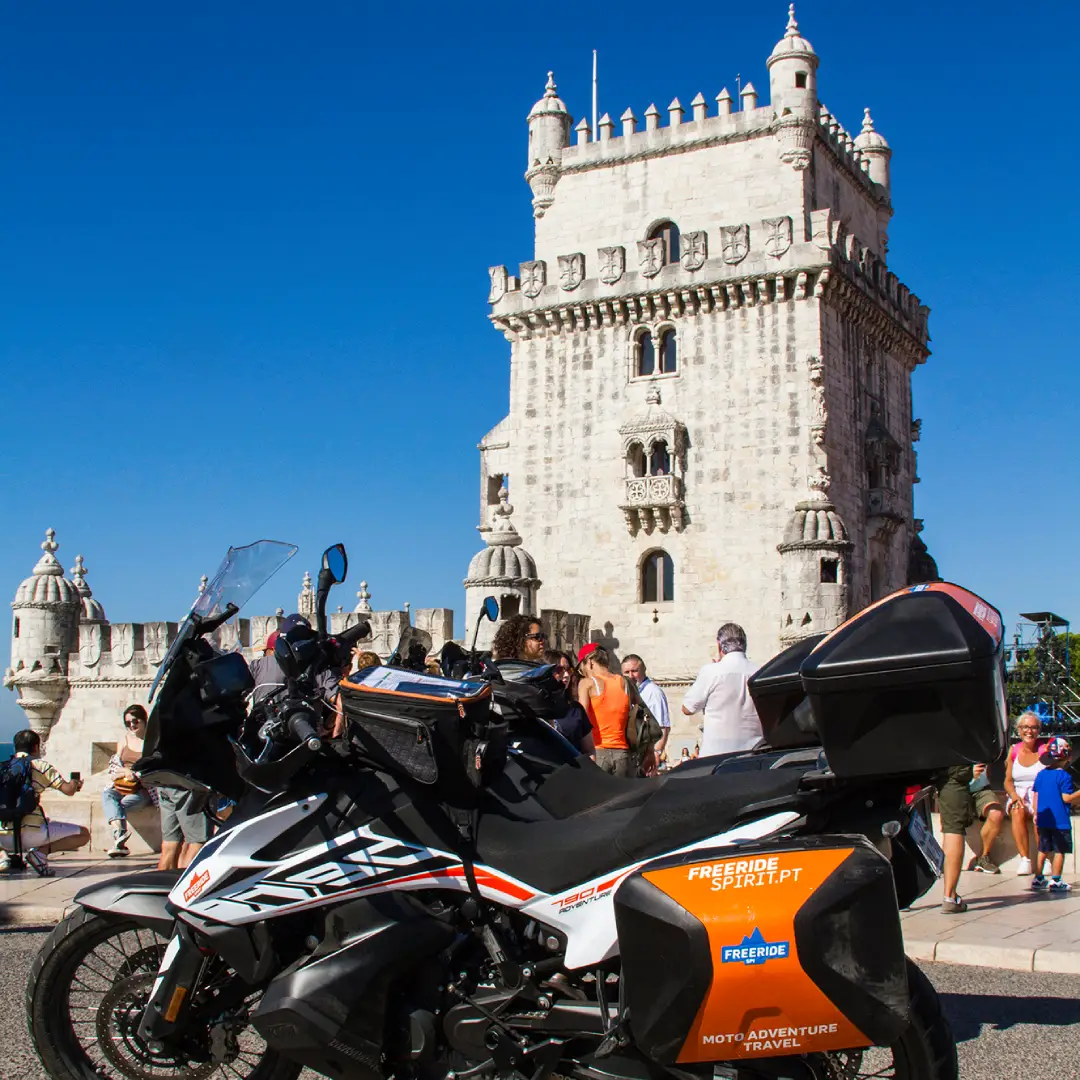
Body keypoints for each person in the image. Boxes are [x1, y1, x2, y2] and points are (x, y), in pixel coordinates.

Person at [0, 729, 89, 872]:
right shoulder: (41, 766)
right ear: (36, 747)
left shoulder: (4, 767)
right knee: (83, 834)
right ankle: (40, 854)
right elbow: (68, 790)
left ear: (15, 747)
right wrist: (74, 783)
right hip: (34, 834)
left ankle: (1, 856)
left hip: (3, 836)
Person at [681, 623, 762, 756]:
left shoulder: (711, 672)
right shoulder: (759, 672)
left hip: (716, 756)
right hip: (752, 754)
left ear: (719, 645)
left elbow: (687, 708)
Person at [101, 704, 156, 858]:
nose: (132, 725)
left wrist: (136, 775)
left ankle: (119, 840)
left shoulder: (152, 742)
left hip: (144, 790)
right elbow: (114, 763)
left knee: (120, 806)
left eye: (135, 721)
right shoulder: (124, 740)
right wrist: (125, 771)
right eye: (128, 723)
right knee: (107, 795)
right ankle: (120, 836)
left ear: (144, 720)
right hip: (122, 784)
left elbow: (154, 767)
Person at [576, 643, 633, 776]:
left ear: (589, 662)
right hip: (623, 755)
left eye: (581, 669)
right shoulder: (624, 682)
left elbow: (581, 717)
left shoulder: (587, 683)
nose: (582, 673)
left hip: (597, 753)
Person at [1031, 737, 1079, 892]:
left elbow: (1036, 796)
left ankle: (1038, 878)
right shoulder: (1064, 776)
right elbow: (1066, 798)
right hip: (1060, 822)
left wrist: (1036, 813)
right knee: (1060, 851)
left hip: (1043, 820)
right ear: (1067, 756)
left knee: (1043, 849)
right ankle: (1056, 880)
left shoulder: (1041, 774)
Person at [1004, 711, 1047, 875]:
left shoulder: (1044, 750)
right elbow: (1007, 781)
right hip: (1019, 794)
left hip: (1040, 793)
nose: (1030, 731)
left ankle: (1045, 858)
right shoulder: (1014, 750)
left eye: (1034, 727)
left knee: (1040, 814)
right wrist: (1014, 796)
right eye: (1026, 727)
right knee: (1017, 810)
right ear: (1019, 729)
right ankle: (1025, 860)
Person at [936, 764, 975, 913]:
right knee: (953, 828)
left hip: (911, 757)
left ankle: (901, 894)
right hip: (951, 767)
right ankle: (950, 897)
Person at [621, 654, 670, 761]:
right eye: (626, 672)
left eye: (634, 671)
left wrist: (656, 753)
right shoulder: (625, 693)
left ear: (644, 670)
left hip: (646, 756)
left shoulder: (653, 693)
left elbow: (663, 727)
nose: (630, 676)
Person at [544, 649, 594, 752]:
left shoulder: (576, 709)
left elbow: (589, 750)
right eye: (559, 670)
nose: (566, 675)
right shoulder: (534, 707)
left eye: (569, 670)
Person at [966, 763, 1006, 874]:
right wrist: (967, 773)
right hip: (957, 788)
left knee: (996, 813)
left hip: (981, 789)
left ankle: (984, 857)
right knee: (954, 822)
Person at [157, 787, 209, 871]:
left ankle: (163, 881)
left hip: (164, 783)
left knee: (170, 844)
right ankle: (187, 882)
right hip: (189, 785)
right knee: (198, 843)